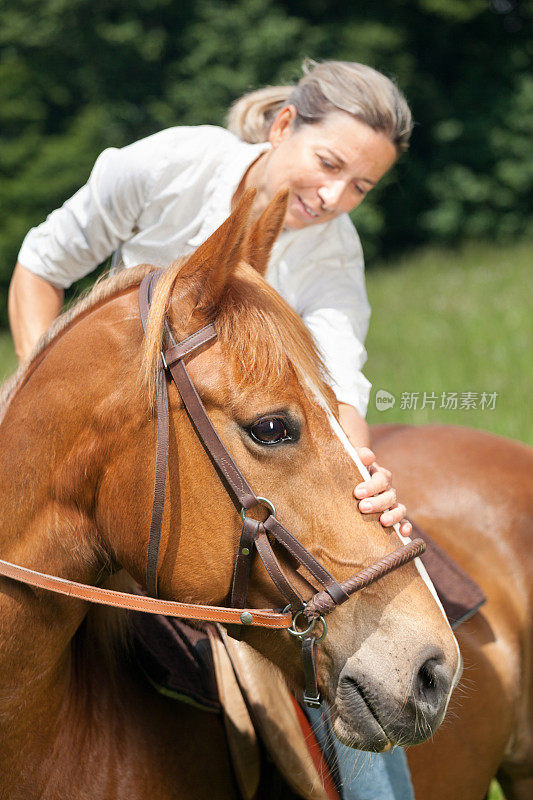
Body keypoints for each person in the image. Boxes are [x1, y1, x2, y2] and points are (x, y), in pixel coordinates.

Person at [9, 59, 416, 798]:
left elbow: (338, 387)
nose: (333, 198)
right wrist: (47, 415)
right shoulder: (167, 164)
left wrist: (361, 471)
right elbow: (41, 266)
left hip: (206, 479)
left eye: (360, 187)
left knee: (337, 632)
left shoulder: (332, 249)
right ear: (284, 125)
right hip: (97, 438)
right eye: (328, 165)